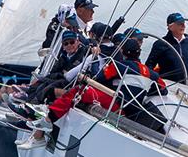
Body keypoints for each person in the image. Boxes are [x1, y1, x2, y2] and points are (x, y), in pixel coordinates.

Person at [18, 39, 168, 149]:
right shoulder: (151, 73)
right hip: (131, 109)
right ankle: (40, 122)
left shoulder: (119, 65)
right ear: (139, 53)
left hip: (117, 105)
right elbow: (163, 89)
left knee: (79, 91)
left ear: (122, 52)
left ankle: (48, 119)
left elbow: (99, 79)